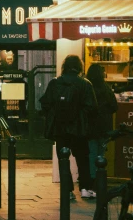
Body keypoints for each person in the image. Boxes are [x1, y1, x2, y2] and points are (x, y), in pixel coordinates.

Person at [40, 55, 98, 200]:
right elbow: (92, 107)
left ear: (64, 66)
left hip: (60, 129)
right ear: (79, 67)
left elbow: (45, 104)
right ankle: (85, 188)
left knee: (63, 160)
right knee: (83, 159)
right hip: (79, 129)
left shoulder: (55, 83)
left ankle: (67, 191)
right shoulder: (85, 84)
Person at [86, 64, 117, 181]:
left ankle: (93, 178)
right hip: (104, 127)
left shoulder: (87, 87)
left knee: (91, 153)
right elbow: (114, 107)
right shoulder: (106, 89)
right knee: (101, 154)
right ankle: (100, 178)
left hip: (90, 127)